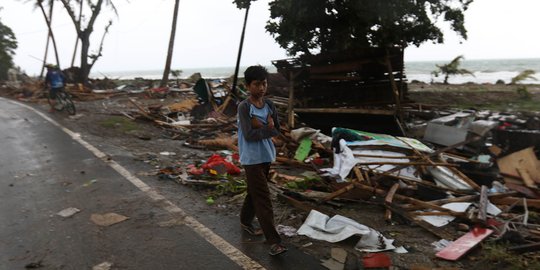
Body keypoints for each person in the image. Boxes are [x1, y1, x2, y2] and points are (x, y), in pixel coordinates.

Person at [237, 65, 287, 256]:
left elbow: (277, 130)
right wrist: (268, 126)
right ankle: (274, 241)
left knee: (254, 191)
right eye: (257, 84)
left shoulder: (269, 105)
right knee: (263, 197)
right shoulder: (244, 107)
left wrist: (262, 126)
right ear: (248, 85)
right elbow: (249, 135)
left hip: (266, 155)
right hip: (251, 159)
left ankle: (245, 220)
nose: (261, 88)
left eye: (264, 84)